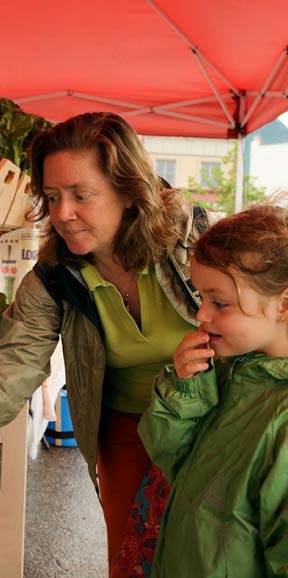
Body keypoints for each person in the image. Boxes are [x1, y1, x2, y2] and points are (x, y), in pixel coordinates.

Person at [0, 111, 213, 578]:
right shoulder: (54, 279)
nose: (62, 214)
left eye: (81, 195)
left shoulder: (194, 242)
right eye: (53, 196)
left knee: (213, 550)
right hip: (126, 431)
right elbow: (11, 372)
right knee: (131, 560)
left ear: (128, 191)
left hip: (212, 418)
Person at [138, 201, 288, 578]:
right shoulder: (228, 370)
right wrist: (185, 389)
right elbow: (171, 459)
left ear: (284, 305)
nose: (202, 314)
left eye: (219, 302)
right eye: (202, 297)